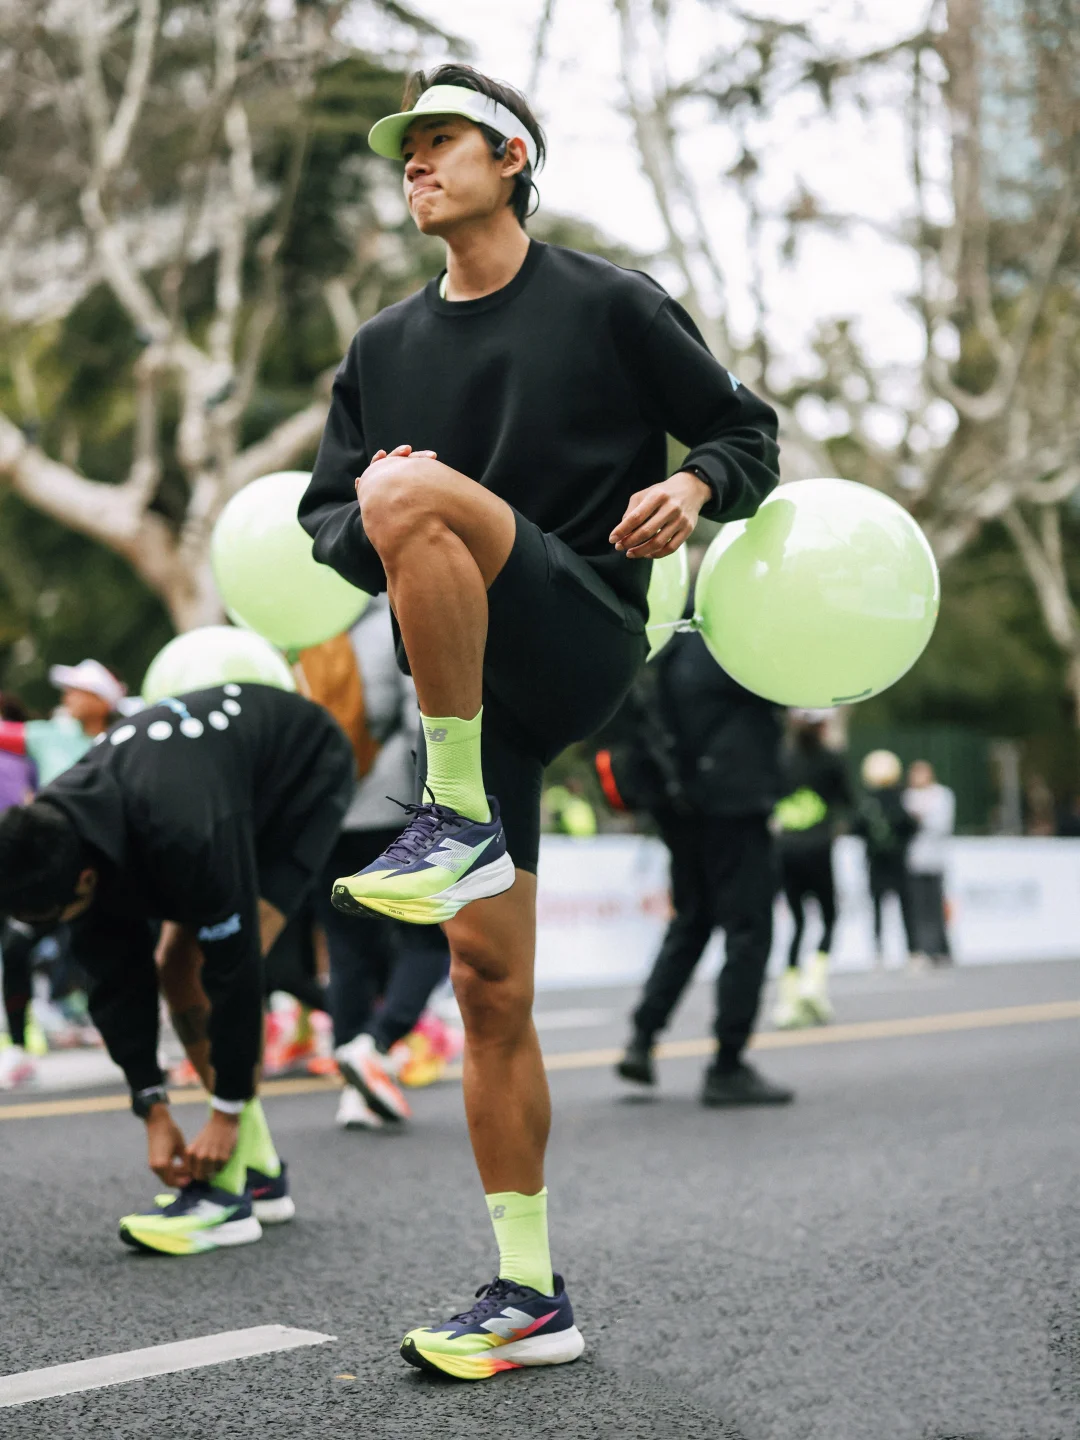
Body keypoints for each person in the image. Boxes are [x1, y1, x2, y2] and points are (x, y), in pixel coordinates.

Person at [299, 63, 780, 1380]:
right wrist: (395, 512)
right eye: (405, 150)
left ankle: (445, 812)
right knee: (487, 987)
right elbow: (330, 522)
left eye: (440, 142)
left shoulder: (607, 304)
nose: (415, 164)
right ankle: (530, 1293)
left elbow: (749, 434)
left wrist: (691, 488)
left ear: (512, 157)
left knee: (411, 495)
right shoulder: (383, 349)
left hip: (575, 632)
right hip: (469, 687)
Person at [0, 683, 352, 1255]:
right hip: (215, 782)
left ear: (86, 881)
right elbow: (115, 983)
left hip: (302, 773)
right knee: (169, 966)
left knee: (200, 959)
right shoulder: (61, 827)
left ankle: (228, 1197)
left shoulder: (183, 831)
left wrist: (226, 1113)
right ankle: (258, 1172)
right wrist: (152, 1107)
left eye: (48, 918)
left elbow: (236, 974)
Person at [605, 628, 792, 1106]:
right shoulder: (734, 646)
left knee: (691, 923)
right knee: (748, 929)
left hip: (683, 806)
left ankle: (642, 1037)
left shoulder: (675, 644)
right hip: (734, 802)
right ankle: (728, 1064)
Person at [302, 596, 453, 1130]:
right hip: (392, 808)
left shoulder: (296, 628)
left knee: (347, 953)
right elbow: (424, 715)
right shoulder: (394, 615)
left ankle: (354, 1093)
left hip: (323, 815)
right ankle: (378, 1043)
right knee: (428, 938)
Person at [0, 660, 126, 1084]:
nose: (66, 697)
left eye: (76, 690)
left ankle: (131, 1044)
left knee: (119, 955)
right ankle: (17, 1049)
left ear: (101, 701)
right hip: (54, 870)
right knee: (16, 947)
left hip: (113, 869)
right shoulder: (49, 734)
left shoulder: (126, 739)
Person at [773, 711, 852, 1028]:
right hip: (818, 848)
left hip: (785, 849)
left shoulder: (781, 759)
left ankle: (789, 1000)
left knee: (797, 922)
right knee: (830, 917)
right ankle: (814, 985)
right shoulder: (831, 759)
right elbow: (847, 800)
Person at [853, 749, 918, 964]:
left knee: (878, 907)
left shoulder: (867, 801)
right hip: (897, 859)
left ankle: (879, 953)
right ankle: (913, 951)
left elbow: (856, 828)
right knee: (905, 906)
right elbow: (911, 826)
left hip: (875, 860)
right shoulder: (900, 797)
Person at [903, 760, 954, 965]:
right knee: (918, 907)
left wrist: (921, 819)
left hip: (935, 860)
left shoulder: (942, 794)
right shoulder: (908, 796)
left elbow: (942, 824)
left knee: (936, 906)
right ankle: (923, 948)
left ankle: (940, 948)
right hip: (913, 861)